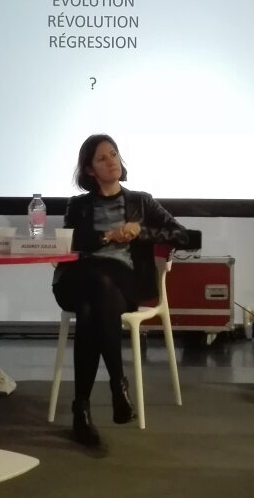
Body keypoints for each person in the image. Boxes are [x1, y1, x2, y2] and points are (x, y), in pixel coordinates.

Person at [52, 134, 190, 448]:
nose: (111, 161)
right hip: (79, 278)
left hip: (122, 282)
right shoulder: (78, 205)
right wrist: (109, 237)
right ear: (90, 170)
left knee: (91, 307)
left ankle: (81, 410)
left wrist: (142, 230)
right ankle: (117, 384)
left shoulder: (141, 201)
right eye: (102, 158)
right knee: (97, 286)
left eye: (114, 154)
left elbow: (185, 236)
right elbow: (71, 244)